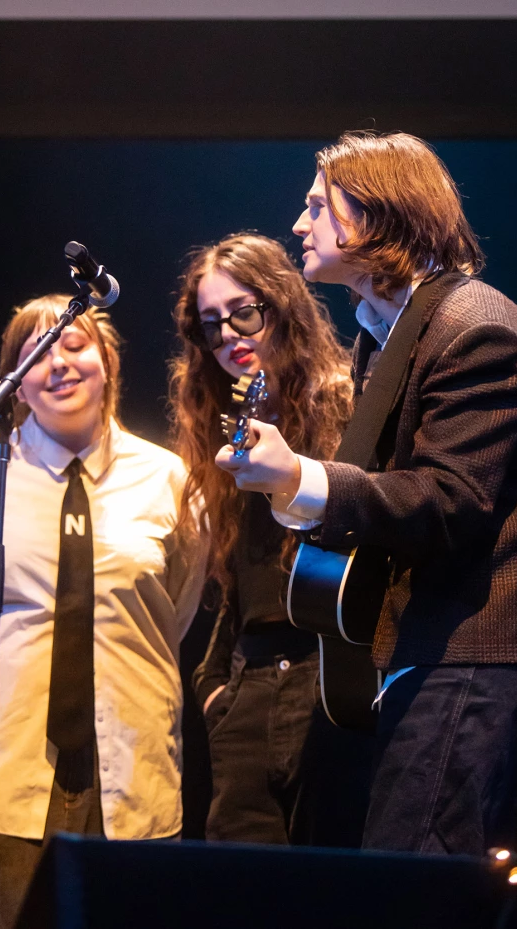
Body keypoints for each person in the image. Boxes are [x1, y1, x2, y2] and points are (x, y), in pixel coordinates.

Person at [216, 133, 517, 856]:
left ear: (379, 217)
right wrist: (291, 488)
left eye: (318, 206)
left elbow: (449, 500)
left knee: (419, 885)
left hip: (487, 651)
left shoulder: (479, 330)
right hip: (439, 653)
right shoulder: (387, 332)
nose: (299, 223)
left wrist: (299, 478)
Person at [0, 294, 207, 928]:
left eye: (75, 345)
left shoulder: (169, 480)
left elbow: (173, 613)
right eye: (37, 352)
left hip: (127, 775)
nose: (59, 364)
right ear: (13, 382)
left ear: (108, 362)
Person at [169, 233, 373, 846]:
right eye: (212, 325)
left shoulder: (349, 400)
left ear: (282, 308)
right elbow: (236, 580)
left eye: (244, 313)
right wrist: (212, 691)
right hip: (249, 683)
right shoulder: (220, 426)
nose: (230, 335)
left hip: (332, 679)